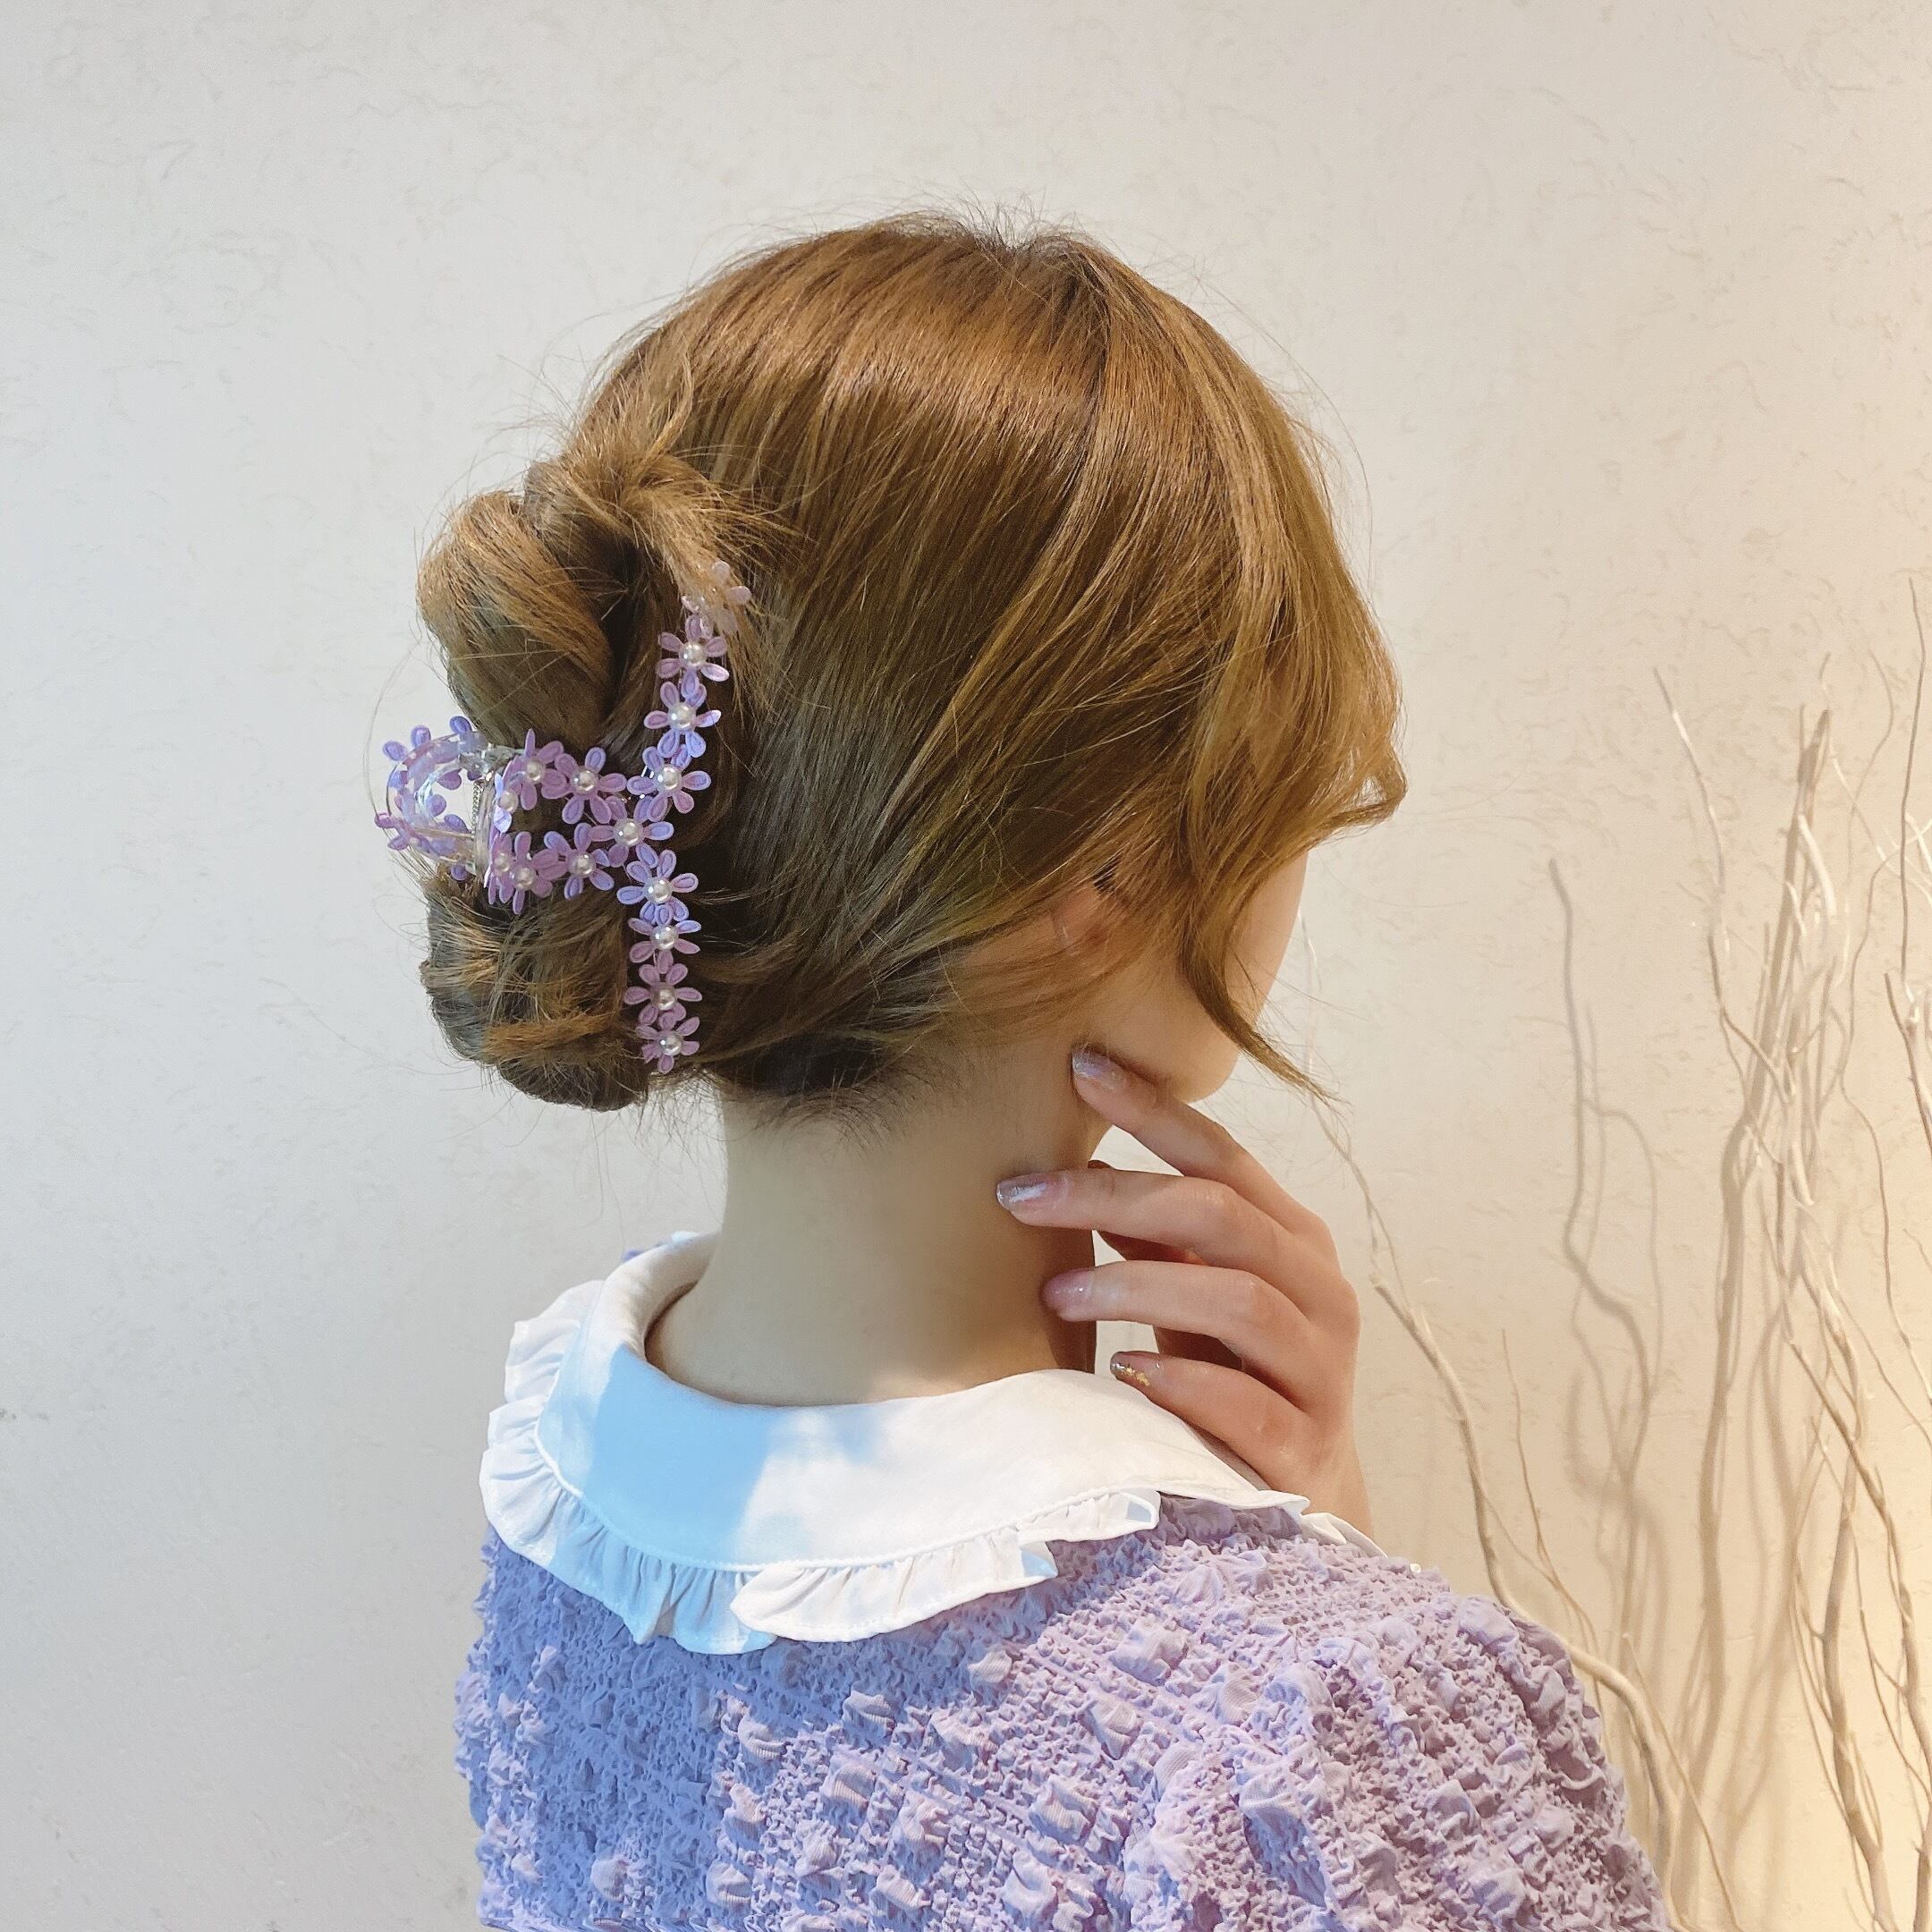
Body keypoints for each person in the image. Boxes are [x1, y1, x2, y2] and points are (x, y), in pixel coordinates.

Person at [378, 210, 1670, 1929]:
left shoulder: (574, 1502)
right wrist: (1326, 1607)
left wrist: (1297, 1540)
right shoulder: (1302, 1735)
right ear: (1105, 870)